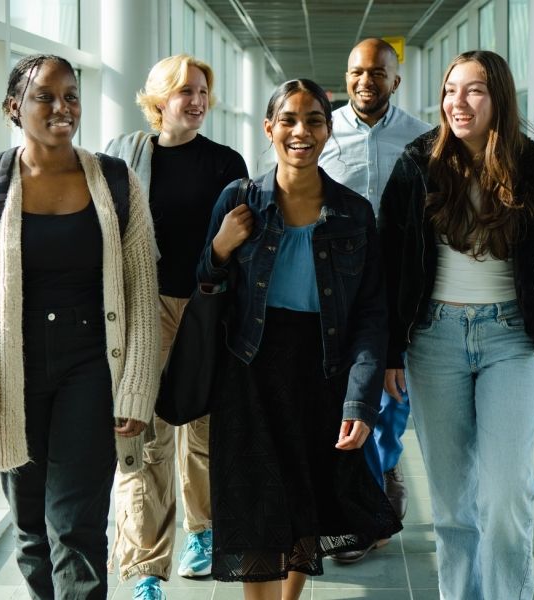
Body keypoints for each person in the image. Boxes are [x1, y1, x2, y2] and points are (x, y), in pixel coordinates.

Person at [378, 50, 534, 600]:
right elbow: (390, 265)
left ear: (498, 98)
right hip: (434, 341)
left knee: (507, 494)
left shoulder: (532, 167)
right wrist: (388, 353)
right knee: (455, 502)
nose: (459, 102)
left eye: (474, 90)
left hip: (509, 339)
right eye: (451, 90)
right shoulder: (417, 162)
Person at [0, 54, 159, 600]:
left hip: (92, 364)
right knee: (31, 528)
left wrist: (135, 388)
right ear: (15, 107)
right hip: (17, 368)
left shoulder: (115, 180)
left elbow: (141, 295)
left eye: (72, 96)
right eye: (46, 96)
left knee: (76, 525)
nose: (63, 108)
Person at [199, 78, 401, 600]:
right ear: (269, 129)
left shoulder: (354, 213)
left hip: (323, 371)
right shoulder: (239, 199)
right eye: (288, 119)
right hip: (248, 368)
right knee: (255, 509)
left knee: (302, 503)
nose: (301, 131)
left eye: (314, 120)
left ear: (328, 131)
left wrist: (361, 398)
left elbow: (371, 315)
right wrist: (220, 249)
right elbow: (205, 283)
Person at [104, 54, 248, 599]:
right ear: (159, 99)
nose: (196, 100)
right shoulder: (123, 160)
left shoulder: (224, 162)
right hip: (145, 306)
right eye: (185, 91)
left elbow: (242, 244)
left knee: (204, 432)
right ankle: (144, 567)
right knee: (146, 434)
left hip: (207, 305)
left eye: (203, 91)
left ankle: (204, 531)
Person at [318, 39, 431, 558]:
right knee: (350, 395)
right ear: (346, 78)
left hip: (402, 288)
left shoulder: (424, 139)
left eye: (377, 73)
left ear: (395, 80)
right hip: (337, 290)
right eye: (357, 72)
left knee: (394, 396)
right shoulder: (322, 132)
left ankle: (386, 465)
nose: (366, 81)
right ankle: (361, 507)